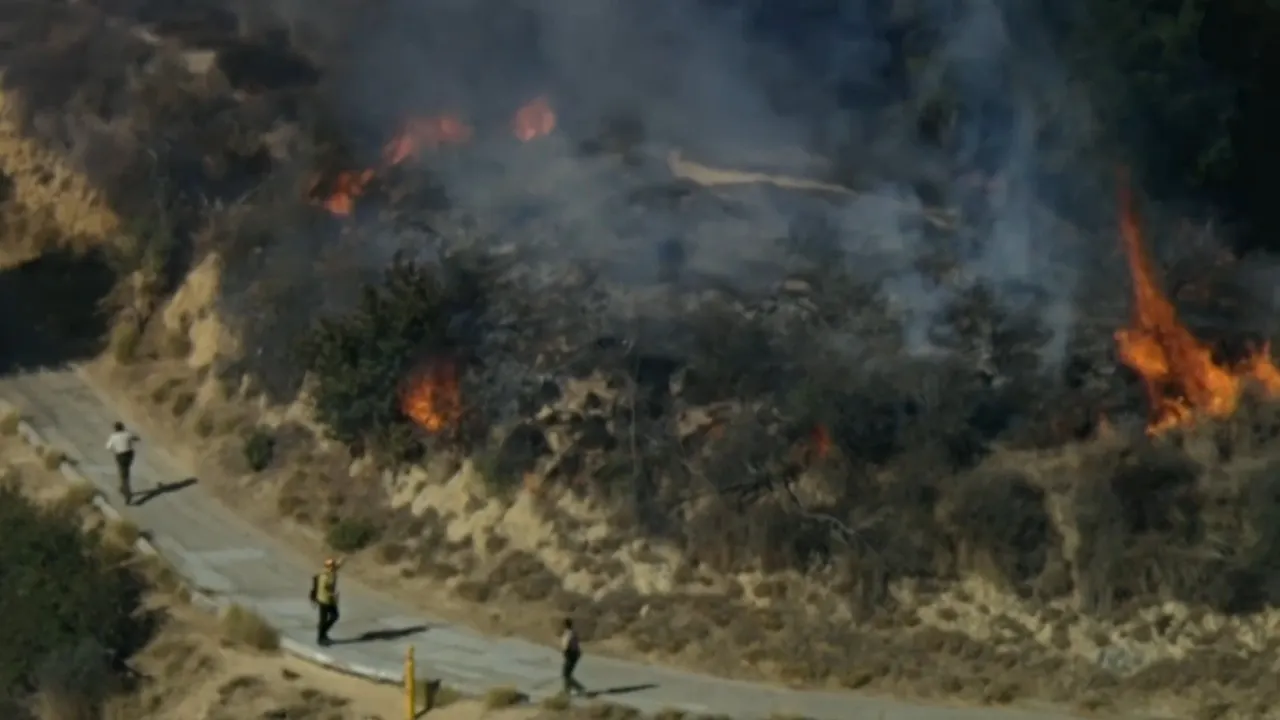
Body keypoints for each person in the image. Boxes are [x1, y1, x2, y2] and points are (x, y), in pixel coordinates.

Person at [105, 422, 140, 505]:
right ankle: (122, 487)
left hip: (120, 456)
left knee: (124, 474)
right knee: (125, 471)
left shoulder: (113, 437)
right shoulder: (127, 434)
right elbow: (136, 438)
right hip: (129, 455)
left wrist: (116, 447)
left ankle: (127, 493)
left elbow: (108, 447)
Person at [310, 557, 343, 646]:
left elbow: (339, 565)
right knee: (323, 620)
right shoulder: (324, 576)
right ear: (328, 567)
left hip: (330, 600)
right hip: (323, 600)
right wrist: (333, 594)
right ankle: (321, 639)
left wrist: (344, 559)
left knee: (335, 616)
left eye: (333, 565)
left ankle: (323, 633)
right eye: (332, 565)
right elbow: (324, 589)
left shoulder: (333, 572)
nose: (334, 567)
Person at [560, 617, 585, 696]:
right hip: (574, 654)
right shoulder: (572, 632)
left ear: (565, 625)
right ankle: (567, 692)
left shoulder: (569, 634)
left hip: (571, 654)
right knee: (567, 674)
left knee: (565, 674)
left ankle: (579, 688)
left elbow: (567, 644)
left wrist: (565, 652)